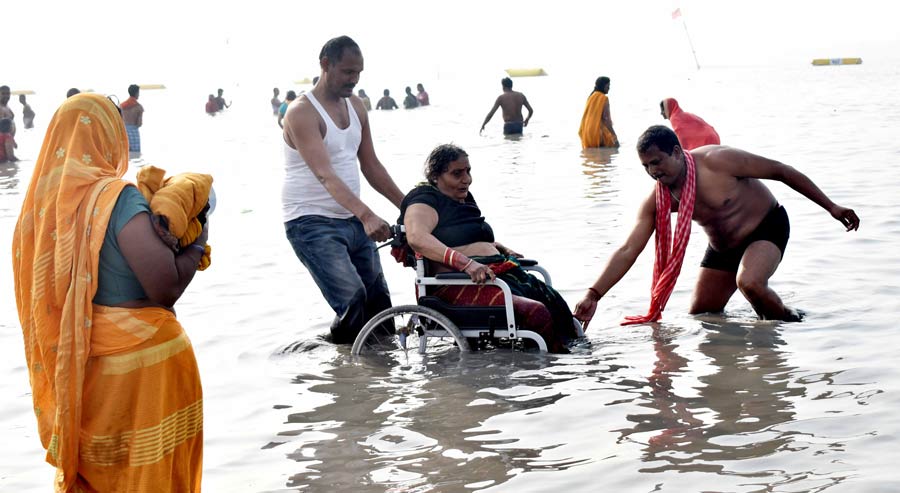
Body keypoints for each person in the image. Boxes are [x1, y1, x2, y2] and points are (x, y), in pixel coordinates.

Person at [11, 93, 208, 492]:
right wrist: (200, 236)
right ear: (111, 137)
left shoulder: (40, 212)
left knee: (102, 477)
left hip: (83, 367)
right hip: (145, 368)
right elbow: (165, 285)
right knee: (151, 478)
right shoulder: (116, 197)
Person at [574, 125, 860, 328]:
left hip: (766, 227)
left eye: (657, 162)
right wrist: (594, 293)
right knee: (702, 315)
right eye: (646, 167)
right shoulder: (660, 198)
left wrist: (831, 207)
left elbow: (781, 171)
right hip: (723, 247)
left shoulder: (718, 160)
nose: (653, 172)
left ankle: (794, 323)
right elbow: (628, 249)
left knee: (749, 284)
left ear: (676, 152)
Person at [281, 35, 405, 344]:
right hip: (310, 221)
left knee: (379, 302)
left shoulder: (357, 106)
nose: (354, 79)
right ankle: (330, 354)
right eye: (348, 72)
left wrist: (410, 205)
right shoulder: (301, 113)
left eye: (359, 72)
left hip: (351, 218)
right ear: (325, 64)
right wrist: (366, 215)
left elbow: (371, 164)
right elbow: (325, 175)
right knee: (353, 299)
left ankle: (372, 380)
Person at [399, 144, 579, 353]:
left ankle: (573, 358)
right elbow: (417, 238)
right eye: (457, 174)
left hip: (493, 275)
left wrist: (496, 247)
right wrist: (466, 264)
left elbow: (465, 237)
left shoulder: (463, 200)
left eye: (468, 171)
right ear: (436, 176)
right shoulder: (423, 200)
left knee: (554, 302)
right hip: (457, 285)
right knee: (536, 312)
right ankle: (557, 362)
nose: (466, 179)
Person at [578, 76, 619, 148]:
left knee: (594, 156)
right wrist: (614, 137)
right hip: (598, 133)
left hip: (586, 133)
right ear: (603, 86)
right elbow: (606, 120)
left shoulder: (591, 96)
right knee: (607, 154)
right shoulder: (604, 98)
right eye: (608, 86)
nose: (609, 88)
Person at [120, 84, 144, 153]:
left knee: (125, 153)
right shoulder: (138, 107)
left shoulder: (121, 106)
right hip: (134, 132)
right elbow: (139, 124)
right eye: (138, 93)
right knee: (135, 154)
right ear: (136, 93)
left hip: (123, 132)